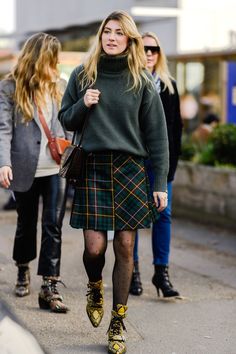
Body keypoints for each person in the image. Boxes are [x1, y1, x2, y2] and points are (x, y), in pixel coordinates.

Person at [59, 11, 169, 354]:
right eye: (107, 31)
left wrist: (160, 182)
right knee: (94, 249)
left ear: (129, 39)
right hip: (92, 167)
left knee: (124, 247)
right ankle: (95, 284)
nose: (111, 37)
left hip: (131, 169)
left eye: (119, 33)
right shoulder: (83, 74)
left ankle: (117, 322)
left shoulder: (140, 80)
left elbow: (158, 137)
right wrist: (83, 102)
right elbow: (65, 117)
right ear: (101, 35)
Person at [0, 33, 69, 313]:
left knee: (53, 225)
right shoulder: (9, 87)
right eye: (52, 59)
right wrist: (4, 163)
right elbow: (3, 128)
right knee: (26, 223)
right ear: (39, 58)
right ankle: (22, 267)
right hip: (25, 167)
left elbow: (66, 123)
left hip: (55, 168)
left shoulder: (60, 86)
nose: (56, 64)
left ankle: (50, 286)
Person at [129, 32, 183, 298]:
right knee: (135, 217)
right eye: (144, 48)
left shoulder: (169, 86)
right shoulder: (130, 82)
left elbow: (176, 130)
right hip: (135, 162)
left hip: (162, 164)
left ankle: (161, 272)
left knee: (164, 215)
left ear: (160, 54)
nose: (149, 53)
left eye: (154, 49)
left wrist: (170, 168)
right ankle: (132, 271)